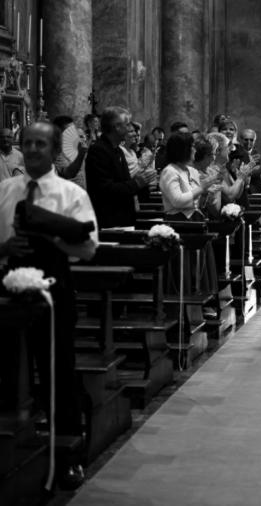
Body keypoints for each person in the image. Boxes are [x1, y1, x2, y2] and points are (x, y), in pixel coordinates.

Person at [0, 122, 99, 490]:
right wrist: (5, 249)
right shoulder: (5, 191)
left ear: (55, 148)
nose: (33, 150)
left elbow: (88, 248)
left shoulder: (70, 194)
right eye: (27, 143)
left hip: (56, 290)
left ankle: (68, 455)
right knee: (8, 369)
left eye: (41, 143)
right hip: (8, 288)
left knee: (58, 370)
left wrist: (54, 236)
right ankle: (13, 445)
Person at [86, 107, 155, 228]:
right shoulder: (98, 150)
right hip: (109, 219)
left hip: (123, 218)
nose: (130, 128)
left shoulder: (118, 150)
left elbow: (124, 182)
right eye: (127, 124)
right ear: (117, 127)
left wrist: (141, 181)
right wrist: (136, 183)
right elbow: (104, 188)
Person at [159, 132, 221, 220]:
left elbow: (197, 205)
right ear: (183, 150)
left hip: (195, 219)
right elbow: (177, 202)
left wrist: (204, 194)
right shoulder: (170, 171)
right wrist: (201, 188)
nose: (195, 150)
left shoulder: (192, 170)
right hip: (177, 221)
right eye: (192, 146)